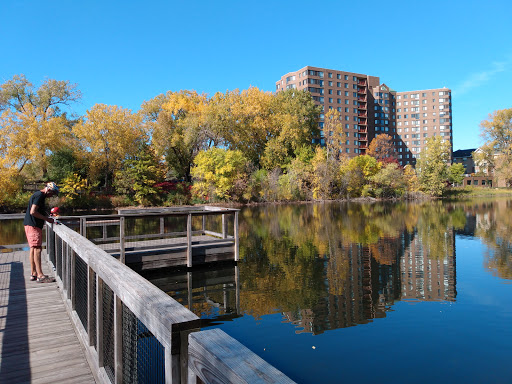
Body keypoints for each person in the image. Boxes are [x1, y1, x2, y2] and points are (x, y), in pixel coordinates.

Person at [24, 182, 60, 283]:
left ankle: (34, 273)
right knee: (38, 249)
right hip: (34, 225)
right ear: (48, 190)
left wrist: (47, 216)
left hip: (30, 224)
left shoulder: (39, 195)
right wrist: (47, 219)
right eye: (52, 193)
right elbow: (33, 211)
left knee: (33, 248)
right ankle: (40, 276)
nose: (51, 196)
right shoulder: (40, 195)